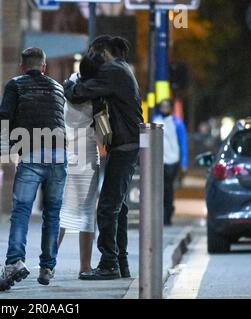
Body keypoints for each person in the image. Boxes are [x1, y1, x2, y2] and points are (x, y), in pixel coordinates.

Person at [0, 47, 67, 291]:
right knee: (52, 213)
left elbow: (4, 117)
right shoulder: (58, 87)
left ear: (22, 66)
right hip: (60, 156)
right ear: (43, 67)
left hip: (32, 155)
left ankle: (14, 263)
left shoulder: (16, 84)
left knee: (21, 211)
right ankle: (47, 267)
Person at [64, 35, 144, 280]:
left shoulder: (112, 70)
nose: (91, 57)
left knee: (107, 207)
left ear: (102, 51)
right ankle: (120, 262)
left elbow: (78, 93)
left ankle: (109, 263)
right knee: (116, 207)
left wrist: (68, 83)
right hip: (125, 144)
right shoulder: (120, 69)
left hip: (124, 145)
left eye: (93, 52)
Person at [58, 53, 105, 279]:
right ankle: (84, 266)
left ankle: (48, 261)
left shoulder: (69, 85)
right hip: (87, 154)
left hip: (68, 151)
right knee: (86, 211)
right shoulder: (96, 95)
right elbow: (104, 132)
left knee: (61, 208)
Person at [153, 99, 188, 226]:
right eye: (162, 106)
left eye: (167, 106)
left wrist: (184, 163)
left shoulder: (177, 124)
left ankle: (167, 214)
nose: (164, 109)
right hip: (158, 160)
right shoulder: (156, 120)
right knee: (159, 189)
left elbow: (183, 143)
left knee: (168, 188)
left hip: (173, 160)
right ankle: (163, 212)